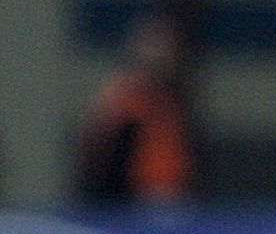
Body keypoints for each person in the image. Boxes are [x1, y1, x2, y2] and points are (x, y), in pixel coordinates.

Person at [72, 17, 195, 203]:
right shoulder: (123, 97)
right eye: (153, 47)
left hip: (171, 194)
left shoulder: (172, 97)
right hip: (134, 199)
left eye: (165, 48)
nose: (161, 55)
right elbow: (96, 148)